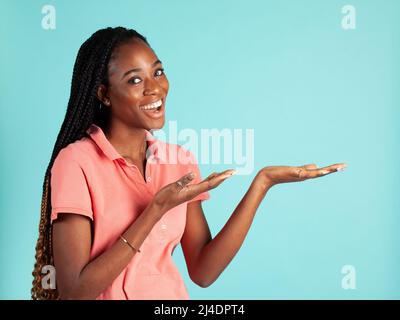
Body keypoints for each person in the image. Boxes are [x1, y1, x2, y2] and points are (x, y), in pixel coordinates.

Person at [31, 26, 347, 300]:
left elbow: (203, 271)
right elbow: (75, 291)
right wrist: (155, 209)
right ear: (104, 94)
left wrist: (262, 183)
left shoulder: (179, 161)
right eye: (134, 80)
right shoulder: (76, 162)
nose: (154, 88)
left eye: (157, 71)